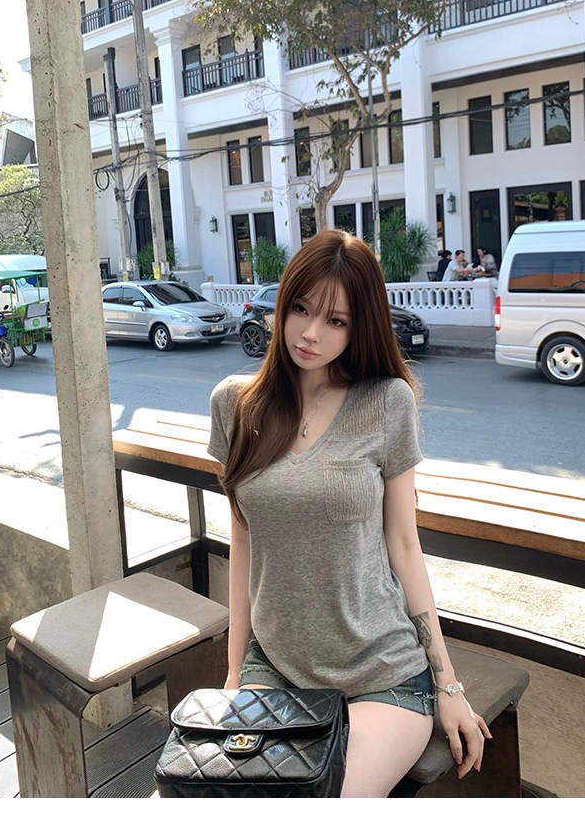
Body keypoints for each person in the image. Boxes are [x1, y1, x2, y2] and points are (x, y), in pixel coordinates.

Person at [209, 229, 489, 798]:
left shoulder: (387, 402)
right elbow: (243, 543)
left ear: (360, 327)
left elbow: (404, 547)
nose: (310, 333)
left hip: (381, 669)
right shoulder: (235, 405)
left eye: (335, 320)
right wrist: (235, 673)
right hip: (276, 661)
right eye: (301, 309)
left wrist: (448, 685)